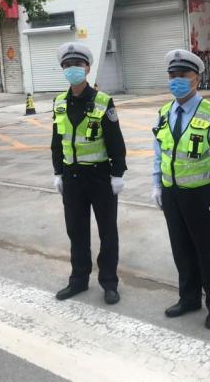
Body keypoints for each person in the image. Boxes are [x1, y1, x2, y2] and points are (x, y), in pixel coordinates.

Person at [151, 49, 210, 330]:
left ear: (196, 79)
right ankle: (188, 298)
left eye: (183, 75)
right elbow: (159, 153)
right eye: (172, 75)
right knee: (181, 248)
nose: (176, 80)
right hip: (172, 192)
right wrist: (156, 184)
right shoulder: (164, 113)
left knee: (208, 251)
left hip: (201, 193)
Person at [51, 43, 127, 305]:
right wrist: (58, 172)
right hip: (72, 178)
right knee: (76, 231)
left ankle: (109, 282)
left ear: (87, 68)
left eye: (77, 65)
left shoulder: (103, 101)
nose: (72, 69)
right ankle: (78, 280)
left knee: (107, 232)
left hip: (100, 177)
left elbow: (115, 140)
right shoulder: (59, 102)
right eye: (67, 65)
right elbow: (57, 141)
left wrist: (118, 173)